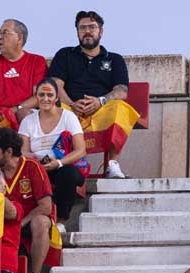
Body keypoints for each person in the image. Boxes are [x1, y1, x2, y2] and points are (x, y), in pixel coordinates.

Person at [46, 10, 140, 177]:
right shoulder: (65, 54)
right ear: (77, 32)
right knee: (56, 110)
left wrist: (100, 101)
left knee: (120, 107)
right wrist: (72, 104)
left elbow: (121, 91)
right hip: (70, 108)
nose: (87, 31)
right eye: (82, 28)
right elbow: (55, 85)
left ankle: (112, 165)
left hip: (101, 110)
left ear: (101, 31)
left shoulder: (114, 59)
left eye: (92, 27)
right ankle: (65, 163)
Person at [0, 128, 53, 273]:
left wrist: (21, 222)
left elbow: (46, 207)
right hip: (2, 223)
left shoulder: (32, 167)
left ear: (8, 151)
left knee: (41, 222)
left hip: (27, 221)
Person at [18, 78, 86, 222]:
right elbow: (22, 151)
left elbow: (81, 150)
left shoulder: (68, 117)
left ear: (56, 98)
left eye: (50, 95)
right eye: (41, 95)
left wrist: (59, 163)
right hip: (36, 166)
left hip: (63, 165)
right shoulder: (28, 120)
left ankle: (61, 220)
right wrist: (33, 158)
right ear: (36, 97)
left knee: (67, 174)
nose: (45, 99)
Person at [0, 19, 45, 124]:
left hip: (21, 111)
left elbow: (39, 96)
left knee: (25, 114)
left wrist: (14, 110)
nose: (0, 37)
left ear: (19, 38)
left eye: (5, 33)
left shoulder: (37, 61)